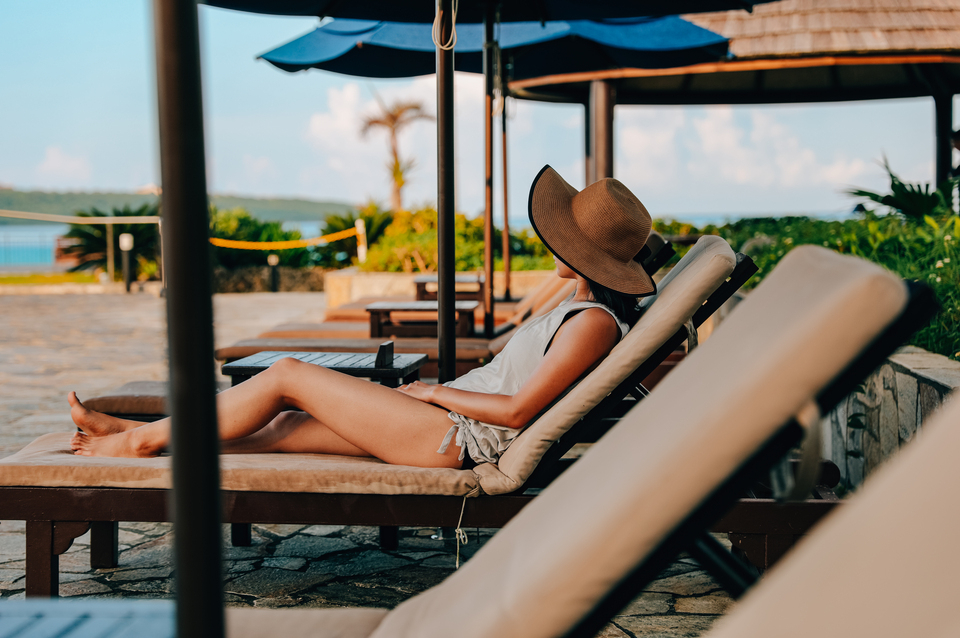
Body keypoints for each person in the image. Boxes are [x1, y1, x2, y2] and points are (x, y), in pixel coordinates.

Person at [69, 166, 656, 468]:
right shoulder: (578, 308)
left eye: (563, 236)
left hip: (455, 438)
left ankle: (137, 443)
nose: (551, 241)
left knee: (287, 375)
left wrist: (432, 393)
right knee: (282, 428)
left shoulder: (594, 323)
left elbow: (520, 411)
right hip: (447, 422)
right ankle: (142, 436)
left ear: (586, 254)